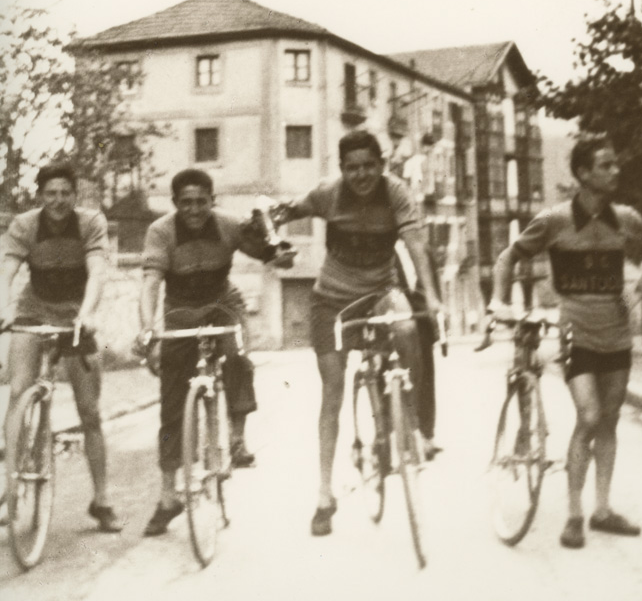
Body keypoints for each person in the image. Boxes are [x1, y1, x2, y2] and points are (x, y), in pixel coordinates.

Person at [274, 129, 442, 537]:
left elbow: (416, 246)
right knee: (332, 391)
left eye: (369, 166)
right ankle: (324, 495)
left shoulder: (396, 193)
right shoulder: (328, 194)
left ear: (382, 165)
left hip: (380, 293)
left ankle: (414, 423)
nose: (362, 175)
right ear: (341, 169)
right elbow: (281, 213)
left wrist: (431, 296)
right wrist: (272, 241)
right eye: (352, 168)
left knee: (407, 324)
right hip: (330, 301)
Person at [490, 134, 642, 550]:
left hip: (617, 334)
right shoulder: (555, 219)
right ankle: (575, 514)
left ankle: (602, 509)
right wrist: (499, 301)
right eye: (606, 165)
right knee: (588, 415)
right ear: (583, 173)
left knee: (610, 418)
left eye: (615, 164)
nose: (615, 171)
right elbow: (508, 256)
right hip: (575, 333)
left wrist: (641, 288)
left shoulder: (626, 218)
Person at [135, 168, 293, 536]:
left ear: (212, 201)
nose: (194, 209)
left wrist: (280, 254)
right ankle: (168, 496)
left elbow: (266, 251)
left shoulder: (228, 225)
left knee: (238, 356)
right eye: (186, 203)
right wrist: (148, 329)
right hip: (179, 310)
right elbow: (150, 284)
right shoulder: (161, 232)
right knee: (172, 399)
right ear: (175, 204)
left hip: (222, 301)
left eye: (201, 202)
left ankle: (237, 440)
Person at [0, 163, 122, 532]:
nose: (57, 201)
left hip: (75, 314)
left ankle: (101, 500)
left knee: (89, 412)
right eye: (50, 194)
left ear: (74, 195)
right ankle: (11, 484)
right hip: (33, 309)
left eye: (64, 193)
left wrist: (86, 314)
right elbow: (6, 271)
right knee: (19, 389)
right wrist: (4, 309)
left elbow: (98, 271)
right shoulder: (24, 225)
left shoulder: (90, 223)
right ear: (40, 196)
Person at [395, 235, 445, 460]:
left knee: (426, 377)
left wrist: (439, 321)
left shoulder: (424, 248)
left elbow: (434, 286)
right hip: (394, 320)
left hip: (423, 319)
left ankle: (427, 436)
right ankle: (401, 441)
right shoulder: (382, 248)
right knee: (396, 377)